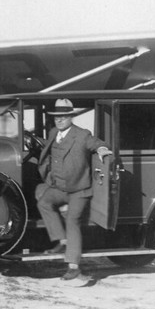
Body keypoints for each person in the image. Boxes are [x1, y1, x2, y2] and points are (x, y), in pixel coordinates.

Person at [36, 98, 112, 280]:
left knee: (73, 221)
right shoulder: (54, 133)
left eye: (64, 116)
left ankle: (73, 266)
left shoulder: (82, 134)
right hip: (60, 188)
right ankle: (62, 241)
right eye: (56, 117)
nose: (59, 120)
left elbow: (98, 143)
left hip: (80, 190)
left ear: (71, 117)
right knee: (44, 202)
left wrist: (102, 149)